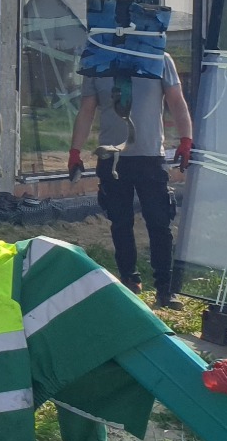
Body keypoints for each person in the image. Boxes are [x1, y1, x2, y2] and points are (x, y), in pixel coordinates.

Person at [68, 50, 193, 306]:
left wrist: (186, 140)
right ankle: (129, 281)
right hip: (112, 158)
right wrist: (74, 152)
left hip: (150, 156)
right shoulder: (97, 62)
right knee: (120, 222)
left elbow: (176, 100)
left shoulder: (157, 58)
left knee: (159, 222)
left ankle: (164, 288)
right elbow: (87, 110)